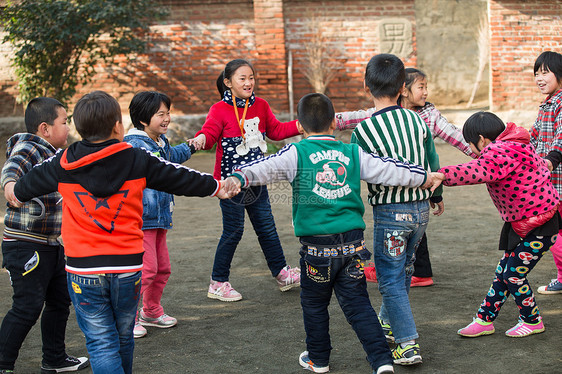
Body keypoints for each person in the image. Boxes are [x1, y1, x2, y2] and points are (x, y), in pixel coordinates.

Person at [3, 91, 237, 374]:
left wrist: (13, 191)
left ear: (79, 128)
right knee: (123, 336)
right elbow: (178, 176)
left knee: (101, 343)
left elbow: (23, 187)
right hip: (127, 267)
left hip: (83, 270)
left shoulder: (62, 162)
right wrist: (217, 187)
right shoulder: (137, 159)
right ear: (117, 126)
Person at [226, 93, 438, 374]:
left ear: (300, 126)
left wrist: (239, 177)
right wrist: (424, 177)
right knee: (359, 306)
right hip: (352, 247)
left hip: (317, 250)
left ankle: (319, 359)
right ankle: (382, 361)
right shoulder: (352, 152)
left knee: (314, 304)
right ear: (333, 124)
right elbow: (389, 170)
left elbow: (263, 168)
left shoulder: (296, 153)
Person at [336, 67, 474, 287]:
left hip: (421, 185)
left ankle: (414, 271)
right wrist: (321, 122)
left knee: (409, 230)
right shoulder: (384, 112)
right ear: (404, 90)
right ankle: (414, 271)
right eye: (421, 87)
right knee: (409, 229)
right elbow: (354, 118)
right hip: (396, 186)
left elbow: (456, 136)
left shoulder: (429, 116)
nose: (426, 92)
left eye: (426, 87)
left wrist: (485, 152)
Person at [350, 54, 444, 366]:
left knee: (389, 279)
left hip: (391, 214)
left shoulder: (363, 131)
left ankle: (408, 344)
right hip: (420, 212)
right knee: (403, 271)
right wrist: (437, 193)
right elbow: (432, 159)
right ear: (403, 87)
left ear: (366, 87)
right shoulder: (418, 120)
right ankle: (388, 324)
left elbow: (357, 174)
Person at [433, 111, 560, 338]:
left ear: (481, 140)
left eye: (470, 144)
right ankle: (484, 320)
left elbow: (478, 170)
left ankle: (532, 320)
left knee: (513, 274)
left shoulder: (499, 153)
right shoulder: (515, 145)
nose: (471, 150)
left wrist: (444, 175)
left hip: (539, 225)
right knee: (504, 272)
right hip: (527, 221)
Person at [190, 59, 301, 301]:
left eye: (251, 77)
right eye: (242, 78)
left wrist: (300, 126)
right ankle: (218, 282)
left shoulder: (260, 105)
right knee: (233, 231)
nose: (249, 82)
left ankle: (282, 274)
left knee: (267, 228)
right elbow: (209, 134)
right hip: (230, 184)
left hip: (256, 179)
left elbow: (275, 131)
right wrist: (200, 140)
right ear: (228, 82)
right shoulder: (219, 110)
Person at [0, 97, 89, 374]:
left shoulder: (55, 154)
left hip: (50, 243)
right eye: (64, 123)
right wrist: (11, 186)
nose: (68, 128)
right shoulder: (30, 147)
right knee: (28, 306)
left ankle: (54, 358)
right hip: (25, 244)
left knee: (60, 300)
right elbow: (12, 169)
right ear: (45, 128)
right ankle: (3, 364)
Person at [124, 91, 196, 339]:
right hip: (142, 220)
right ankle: (127, 318)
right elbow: (163, 168)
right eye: (160, 114)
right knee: (147, 270)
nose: (167, 119)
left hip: (160, 218)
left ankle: (151, 311)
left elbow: (172, 157)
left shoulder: (159, 142)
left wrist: (192, 145)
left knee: (162, 268)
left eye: (168, 113)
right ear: (144, 119)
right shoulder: (135, 145)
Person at [529, 51, 562, 295]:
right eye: (536, 74)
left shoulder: (560, 103)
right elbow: (533, 136)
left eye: (545, 73)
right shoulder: (546, 105)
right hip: (548, 181)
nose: (539, 78)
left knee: (554, 232)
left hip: (557, 181)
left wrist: (552, 159)